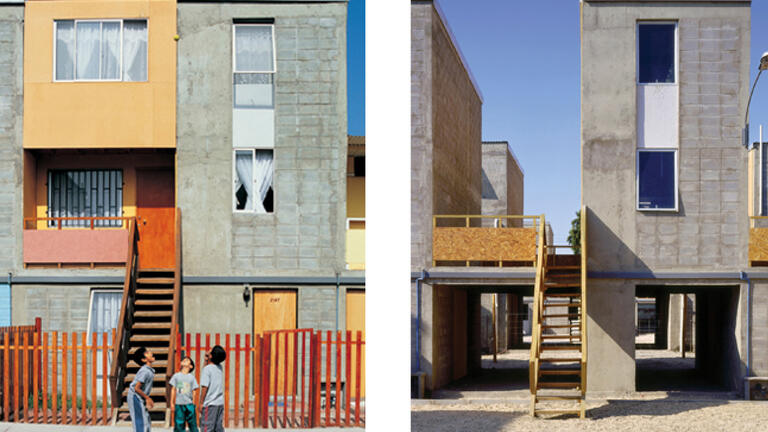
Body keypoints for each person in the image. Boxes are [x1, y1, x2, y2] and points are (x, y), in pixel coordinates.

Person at [198, 345, 226, 432]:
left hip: (210, 404)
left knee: (207, 428)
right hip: (219, 403)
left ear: (211, 356)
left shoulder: (207, 370)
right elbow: (208, 368)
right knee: (218, 428)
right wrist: (207, 360)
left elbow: (205, 387)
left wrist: (201, 402)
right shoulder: (219, 367)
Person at [128, 347, 155, 432]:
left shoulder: (149, 370)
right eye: (147, 352)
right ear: (143, 360)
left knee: (146, 419)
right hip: (135, 396)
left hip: (140, 397)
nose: (150, 352)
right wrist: (147, 398)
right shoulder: (145, 371)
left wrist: (146, 398)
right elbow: (136, 388)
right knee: (140, 421)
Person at [170, 356, 199, 432]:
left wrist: (193, 403)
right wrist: (172, 403)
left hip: (189, 403)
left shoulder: (192, 377)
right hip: (179, 404)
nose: (185, 360)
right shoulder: (176, 376)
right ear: (181, 363)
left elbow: (194, 391)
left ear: (191, 366)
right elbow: (173, 390)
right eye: (184, 360)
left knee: (192, 423)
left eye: (187, 360)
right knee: (179, 423)